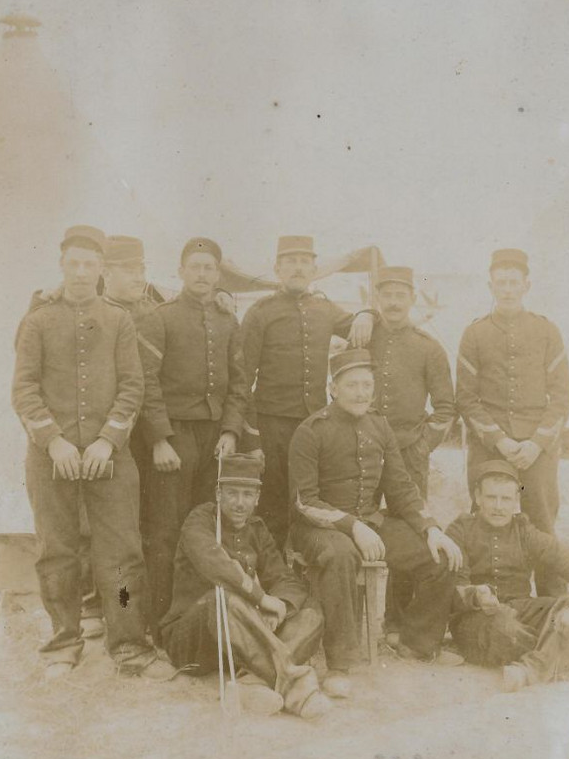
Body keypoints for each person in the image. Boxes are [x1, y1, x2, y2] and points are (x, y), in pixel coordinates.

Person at [11, 224, 170, 680]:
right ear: (62, 266)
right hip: (51, 457)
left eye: (90, 264)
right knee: (56, 550)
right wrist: (54, 441)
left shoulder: (119, 320)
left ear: (101, 269)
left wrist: (107, 440)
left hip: (110, 455)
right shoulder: (38, 320)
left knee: (121, 553)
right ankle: (64, 640)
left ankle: (127, 644)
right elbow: (23, 388)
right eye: (73, 264)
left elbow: (132, 385)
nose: (81, 272)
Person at [288, 349, 464, 697]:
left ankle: (416, 643)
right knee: (341, 556)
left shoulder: (379, 426)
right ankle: (340, 663)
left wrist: (431, 528)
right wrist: (352, 525)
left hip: (369, 523)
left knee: (440, 556)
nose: (361, 392)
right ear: (332, 387)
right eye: (351, 384)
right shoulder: (311, 430)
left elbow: (400, 488)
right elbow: (304, 501)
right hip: (318, 528)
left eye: (367, 385)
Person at [137, 237, 249, 637]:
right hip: (174, 436)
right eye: (195, 266)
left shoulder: (227, 321)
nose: (202, 275)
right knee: (166, 530)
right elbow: (146, 381)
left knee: (205, 530)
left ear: (218, 276)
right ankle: (158, 623)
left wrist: (232, 431)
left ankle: (198, 621)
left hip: (215, 439)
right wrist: (159, 439)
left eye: (209, 268)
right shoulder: (161, 317)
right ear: (181, 271)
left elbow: (239, 384)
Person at [161, 453, 329, 719]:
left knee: (311, 614)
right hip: (193, 640)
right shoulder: (200, 520)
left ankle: (252, 683)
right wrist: (261, 599)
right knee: (224, 597)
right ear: (218, 493)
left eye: (247, 495)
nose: (240, 503)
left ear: (257, 498)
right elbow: (218, 567)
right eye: (232, 494)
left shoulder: (257, 528)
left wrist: (280, 606)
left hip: (243, 641)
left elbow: (283, 578)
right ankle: (296, 687)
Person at [240, 235, 375, 551]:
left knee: (310, 502)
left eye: (304, 262)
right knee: (272, 505)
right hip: (271, 425)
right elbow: (241, 381)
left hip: (313, 426)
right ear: (277, 269)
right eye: (290, 262)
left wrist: (368, 313)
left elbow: (357, 326)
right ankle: (274, 579)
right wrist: (252, 438)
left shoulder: (324, 308)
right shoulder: (261, 312)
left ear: (315, 269)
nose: (298, 269)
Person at [455, 248, 569, 533]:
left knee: (542, 522)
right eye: (501, 283)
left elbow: (561, 397)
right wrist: (499, 441)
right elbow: (466, 398)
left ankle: (548, 580)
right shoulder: (474, 333)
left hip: (537, 446)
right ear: (490, 286)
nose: (507, 290)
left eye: (513, 282)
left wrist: (536, 444)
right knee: (484, 519)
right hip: (490, 446)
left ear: (526, 285)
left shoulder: (547, 332)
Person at [445, 460, 569, 690]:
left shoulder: (524, 530)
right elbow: (452, 590)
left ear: (516, 501)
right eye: (491, 497)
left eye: (506, 499)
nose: (498, 506)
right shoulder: (460, 529)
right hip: (476, 617)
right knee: (506, 629)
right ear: (477, 497)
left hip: (522, 609)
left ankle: (531, 669)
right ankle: (556, 651)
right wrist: (475, 594)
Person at [368, 265, 455, 499]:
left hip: (409, 451)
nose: (393, 302)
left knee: (410, 525)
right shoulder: (363, 339)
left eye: (400, 295)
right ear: (377, 298)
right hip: (363, 450)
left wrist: (422, 447)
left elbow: (446, 408)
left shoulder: (429, 347)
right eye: (387, 295)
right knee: (361, 521)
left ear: (413, 299)